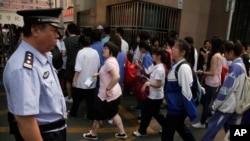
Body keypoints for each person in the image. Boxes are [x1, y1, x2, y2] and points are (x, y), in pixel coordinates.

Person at [3, 8, 67, 141]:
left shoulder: (42, 55)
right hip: (43, 135)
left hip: (54, 131)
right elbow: (25, 120)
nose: (58, 36)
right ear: (35, 30)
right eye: (54, 30)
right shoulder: (24, 68)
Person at [201, 41, 245, 141]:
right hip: (234, 104)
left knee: (212, 129)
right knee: (232, 130)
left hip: (227, 106)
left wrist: (216, 104)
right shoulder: (241, 65)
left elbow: (226, 89)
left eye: (225, 52)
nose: (224, 54)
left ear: (232, 52)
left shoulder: (235, 67)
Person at [83, 42, 127, 140]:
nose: (103, 50)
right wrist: (99, 74)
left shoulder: (109, 62)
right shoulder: (112, 60)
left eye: (106, 48)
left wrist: (108, 88)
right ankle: (122, 133)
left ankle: (93, 134)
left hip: (106, 95)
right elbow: (109, 73)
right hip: (114, 94)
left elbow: (116, 76)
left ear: (111, 51)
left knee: (98, 115)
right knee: (113, 113)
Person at [162, 39, 197, 141]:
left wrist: (191, 113)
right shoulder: (177, 65)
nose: (173, 48)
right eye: (174, 46)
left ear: (183, 52)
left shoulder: (183, 68)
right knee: (180, 128)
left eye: (176, 47)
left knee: (167, 133)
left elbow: (187, 92)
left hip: (177, 108)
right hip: (175, 107)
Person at [133, 48, 169, 137]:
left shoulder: (159, 69)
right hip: (155, 95)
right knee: (155, 113)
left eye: (154, 54)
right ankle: (167, 128)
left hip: (155, 96)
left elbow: (158, 84)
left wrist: (147, 83)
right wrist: (148, 80)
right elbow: (156, 81)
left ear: (159, 56)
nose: (152, 56)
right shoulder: (157, 67)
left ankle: (142, 131)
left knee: (146, 113)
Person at [193, 36, 225, 128]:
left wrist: (202, 72)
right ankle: (206, 118)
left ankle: (202, 122)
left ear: (214, 44)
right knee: (205, 101)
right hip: (215, 82)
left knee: (205, 103)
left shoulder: (215, 56)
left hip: (211, 82)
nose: (209, 45)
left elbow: (212, 72)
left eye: (210, 43)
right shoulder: (219, 55)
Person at [69, 34, 100, 119]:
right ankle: (90, 115)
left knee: (77, 98)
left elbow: (78, 68)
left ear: (80, 43)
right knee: (90, 99)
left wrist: (74, 80)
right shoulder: (95, 52)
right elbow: (98, 65)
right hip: (91, 78)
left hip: (82, 79)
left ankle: (73, 113)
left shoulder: (81, 52)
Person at [64, 22, 81, 103]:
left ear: (68, 31)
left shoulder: (65, 40)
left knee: (68, 80)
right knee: (78, 80)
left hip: (70, 63)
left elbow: (63, 54)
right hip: (80, 63)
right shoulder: (80, 38)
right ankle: (78, 97)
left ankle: (70, 97)